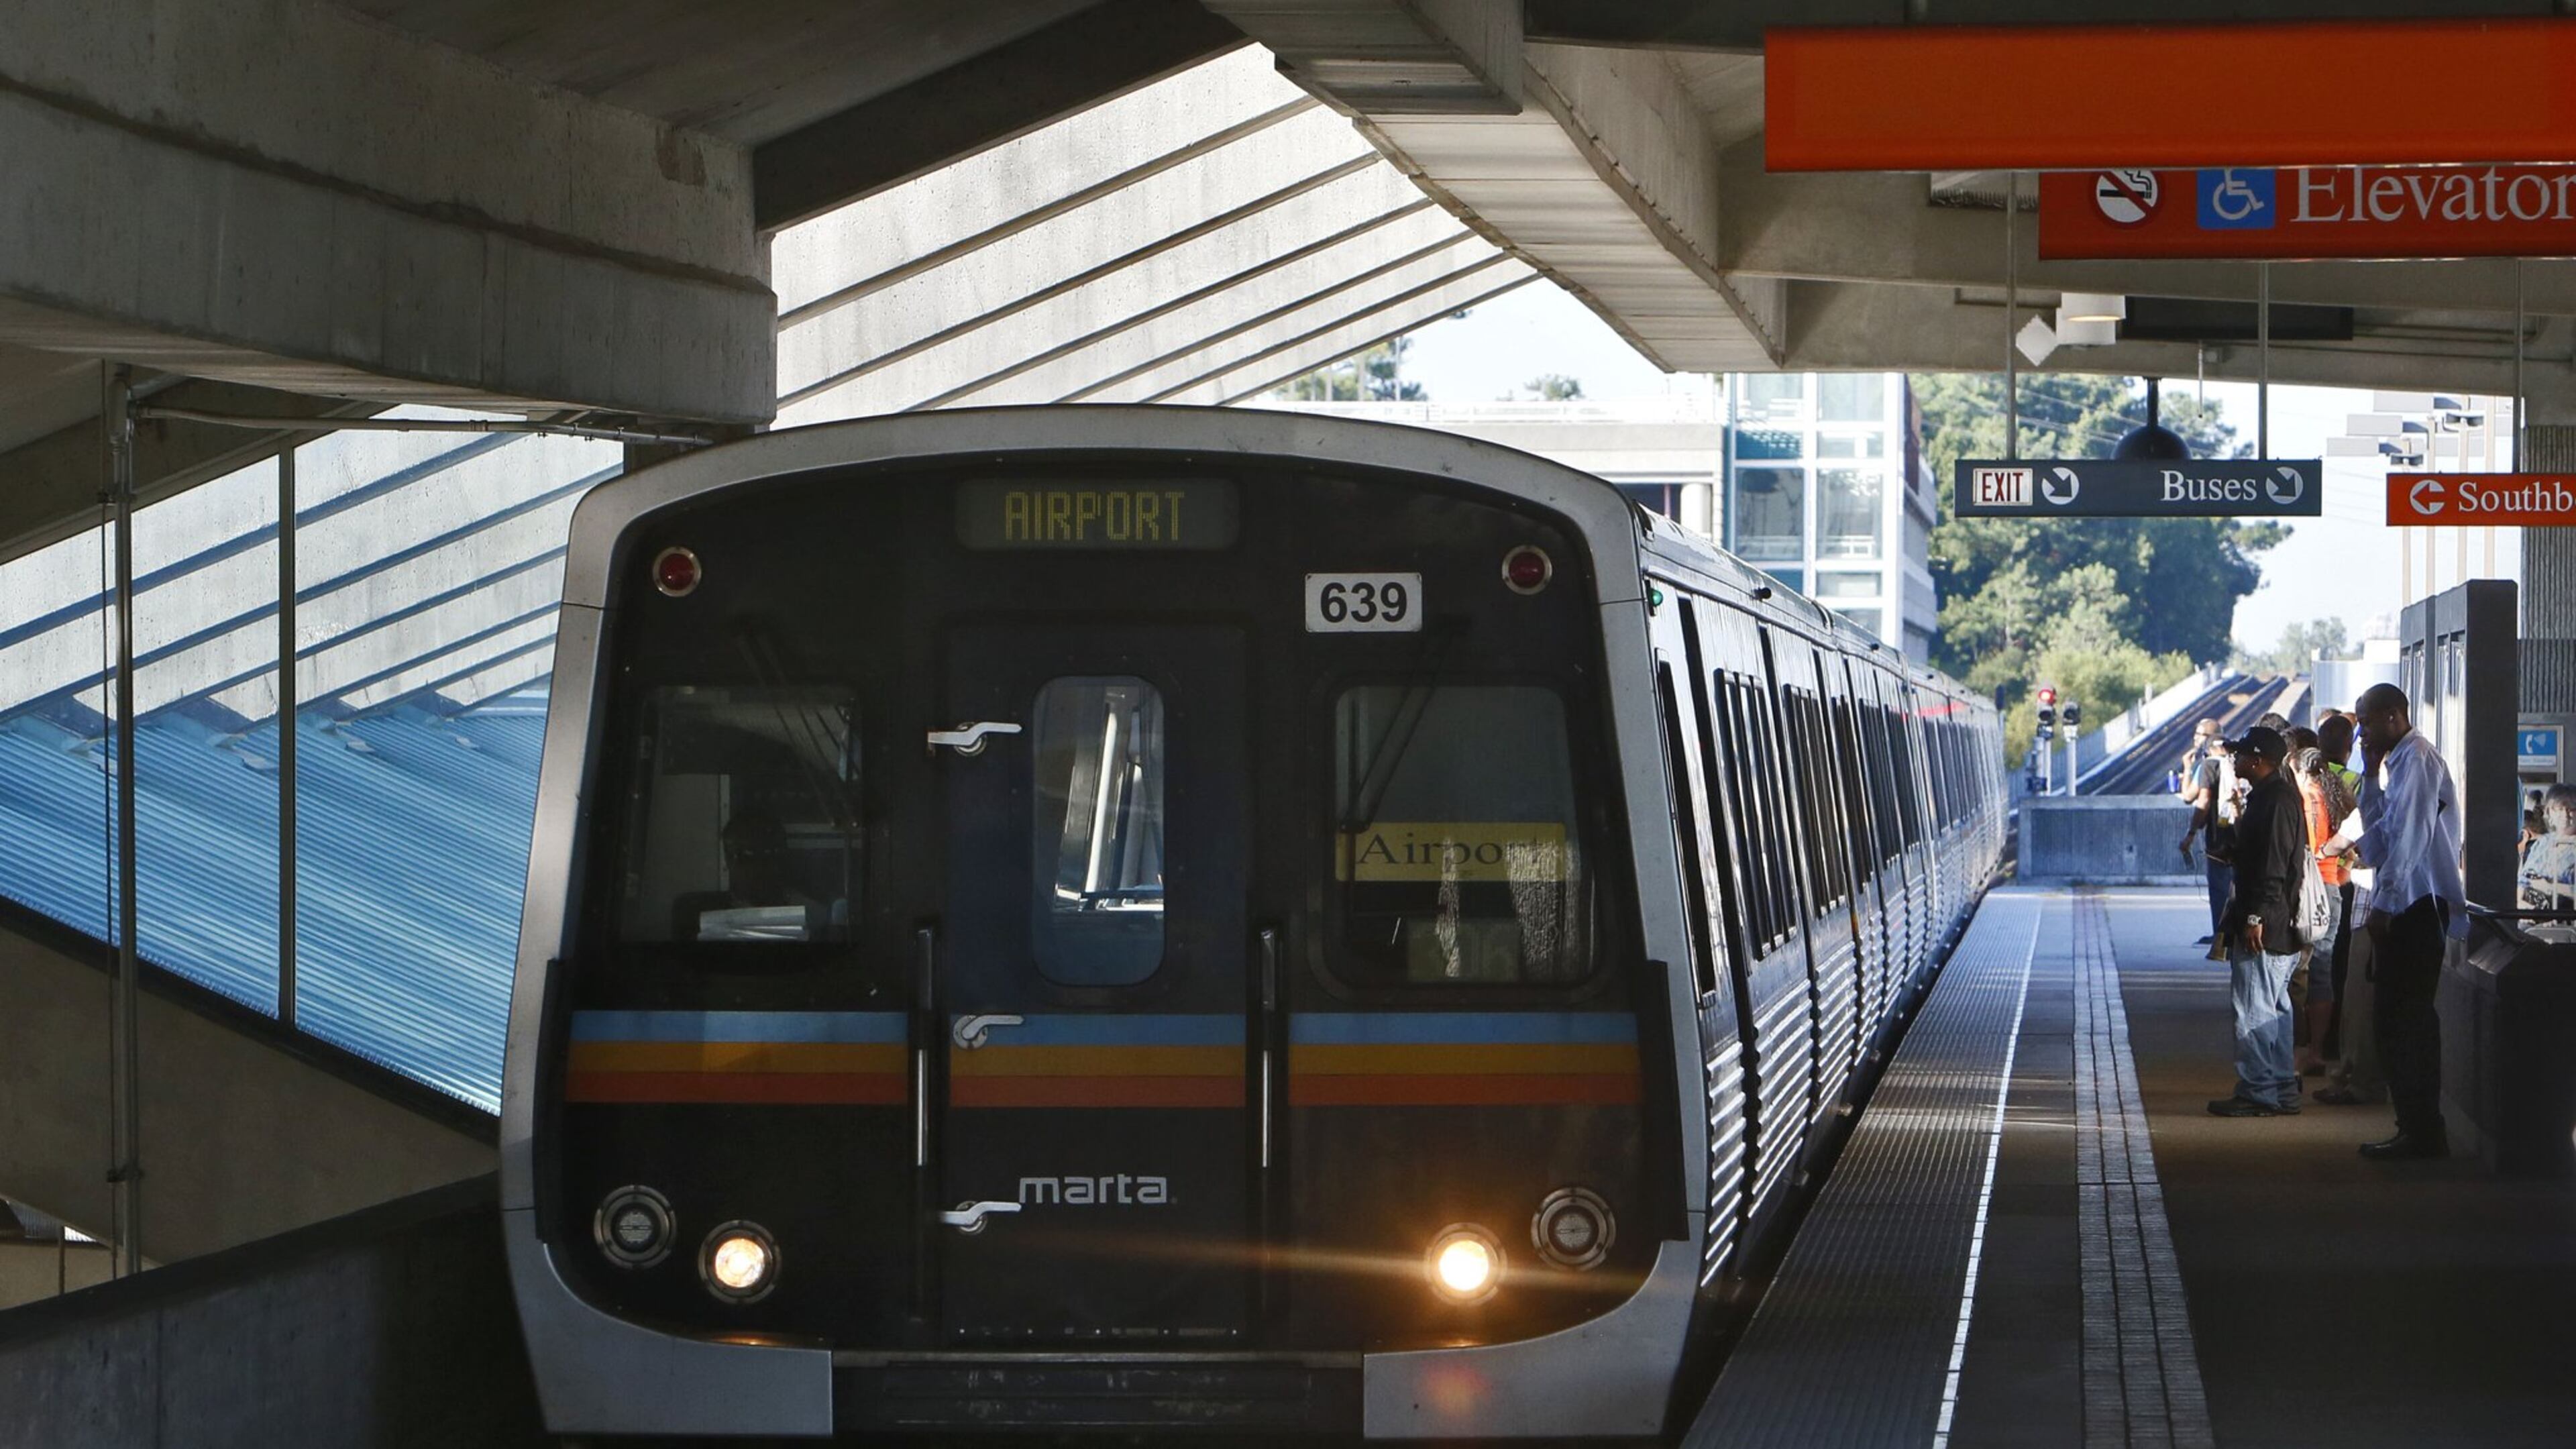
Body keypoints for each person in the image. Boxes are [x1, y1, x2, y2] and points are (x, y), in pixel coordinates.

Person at [2351, 683, 2467, 1160]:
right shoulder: (2396, 763)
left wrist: (2386, 903)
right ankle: (2413, 1124)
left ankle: (2423, 1131)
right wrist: (2372, 778)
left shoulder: (2418, 758)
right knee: (2393, 1021)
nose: (2361, 731)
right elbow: (2383, 832)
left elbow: (2412, 835)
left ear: (2394, 716)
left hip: (2418, 904)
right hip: (2404, 901)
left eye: (2366, 721)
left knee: (2408, 1021)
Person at [2208, 726, 2312, 1118]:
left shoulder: (2274, 801)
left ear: (2257, 759)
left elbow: (2273, 865)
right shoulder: (2273, 797)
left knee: (2253, 1009)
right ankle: (2282, 1087)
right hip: (2277, 922)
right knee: (2276, 1008)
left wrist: (2254, 916)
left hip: (2265, 924)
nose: (2234, 761)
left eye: (2239, 755)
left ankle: (2257, 1092)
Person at [2291, 745, 2355, 1076]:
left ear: (2299, 770)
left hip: (2308, 892)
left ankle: (2302, 1052)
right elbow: (2351, 845)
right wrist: (2341, 873)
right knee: (2323, 970)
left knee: (2301, 969)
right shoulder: (2336, 795)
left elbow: (2306, 849)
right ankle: (2317, 1049)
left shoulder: (2306, 799)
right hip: (2333, 889)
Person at [2177, 718, 2235, 945]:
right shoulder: (2237, 762)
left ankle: (2221, 938)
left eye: (2200, 735)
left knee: (2220, 888)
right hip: (2244, 834)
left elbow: (2200, 800)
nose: (2196, 739)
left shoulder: (2209, 765)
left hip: (2219, 838)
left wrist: (2191, 834)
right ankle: (2234, 934)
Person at [2516, 784, 2576, 910]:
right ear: (2549, 812)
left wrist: (2549, 887)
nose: (2565, 815)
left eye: (2571, 809)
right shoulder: (2541, 844)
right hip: (2531, 915)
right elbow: (2522, 881)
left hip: (2565, 920)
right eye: (2559, 809)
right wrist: (2525, 909)